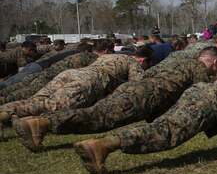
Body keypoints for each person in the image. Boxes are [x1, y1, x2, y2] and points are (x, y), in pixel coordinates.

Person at [73, 59, 217, 174]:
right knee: (166, 133)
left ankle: (105, 145)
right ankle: (104, 146)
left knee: (164, 125)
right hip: (209, 103)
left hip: (199, 92)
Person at [14, 46, 217, 152]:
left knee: (96, 114)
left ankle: (41, 124)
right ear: (214, 62)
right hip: (143, 97)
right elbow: (199, 95)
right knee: (98, 119)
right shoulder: (198, 70)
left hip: (134, 89)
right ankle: (42, 123)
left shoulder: (182, 63)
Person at [0, 46, 153, 136]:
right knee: (50, 106)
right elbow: (137, 86)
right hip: (87, 82)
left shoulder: (112, 57)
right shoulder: (134, 63)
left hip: (72, 73)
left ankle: (5, 110)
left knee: (35, 100)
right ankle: (5, 115)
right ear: (143, 60)